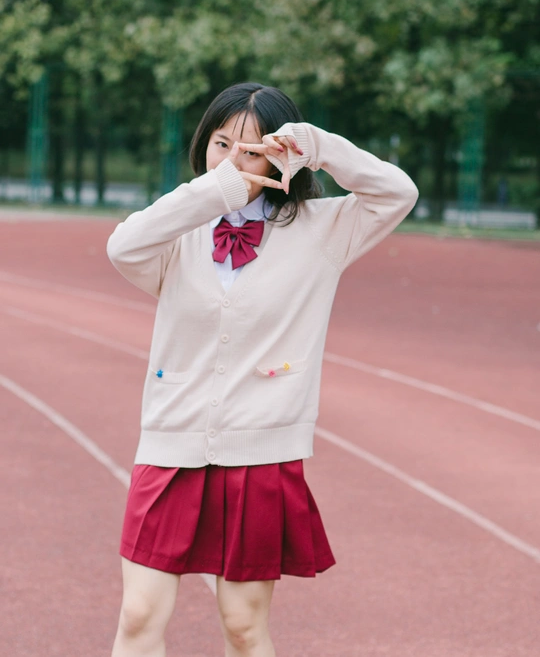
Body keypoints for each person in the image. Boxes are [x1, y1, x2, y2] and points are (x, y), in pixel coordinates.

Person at [106, 81, 419, 657]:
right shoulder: (178, 229)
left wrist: (320, 146)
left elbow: (397, 192)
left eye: (252, 150)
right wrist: (217, 190)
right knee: (139, 614)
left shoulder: (323, 230)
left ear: (282, 156)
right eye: (221, 144)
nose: (233, 160)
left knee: (243, 626)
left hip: (260, 453)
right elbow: (123, 247)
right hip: (170, 443)